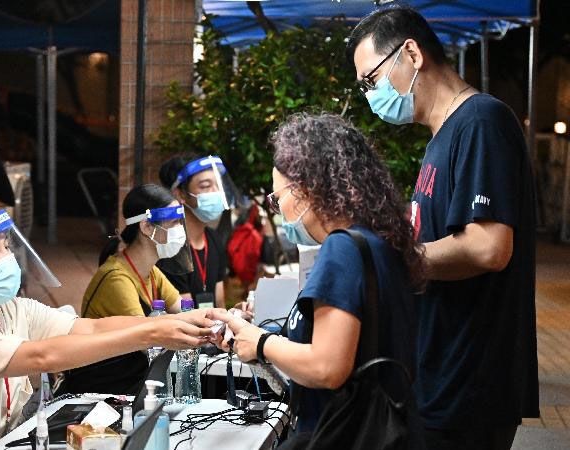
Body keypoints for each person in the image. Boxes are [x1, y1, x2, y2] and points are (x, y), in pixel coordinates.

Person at [347, 6, 538, 449]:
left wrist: (389, 255)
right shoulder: (444, 135)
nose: (371, 95)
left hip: (468, 382)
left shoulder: (480, 122)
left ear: (411, 53)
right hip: (441, 376)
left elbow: (489, 246)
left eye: (370, 80)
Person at [0, 206, 212, 450]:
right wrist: (153, 334)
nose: (8, 260)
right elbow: (43, 357)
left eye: (6, 248)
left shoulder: (6, 308)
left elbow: (89, 330)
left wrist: (173, 321)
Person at [211, 113, 422, 436]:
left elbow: (327, 367)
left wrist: (261, 342)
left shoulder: (343, 250)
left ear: (306, 189)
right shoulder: (377, 241)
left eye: (278, 197)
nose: (278, 208)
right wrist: (253, 337)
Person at [59, 184, 189, 395]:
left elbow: (183, 311)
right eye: (173, 223)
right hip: (100, 393)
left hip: (133, 385)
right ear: (147, 227)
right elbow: (148, 338)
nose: (179, 231)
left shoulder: (151, 272)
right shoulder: (116, 278)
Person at [158, 155, 230, 309]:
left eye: (218, 185)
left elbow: (220, 304)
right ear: (180, 194)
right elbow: (184, 314)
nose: (215, 193)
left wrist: (237, 314)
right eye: (205, 186)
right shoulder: (172, 247)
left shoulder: (214, 239)